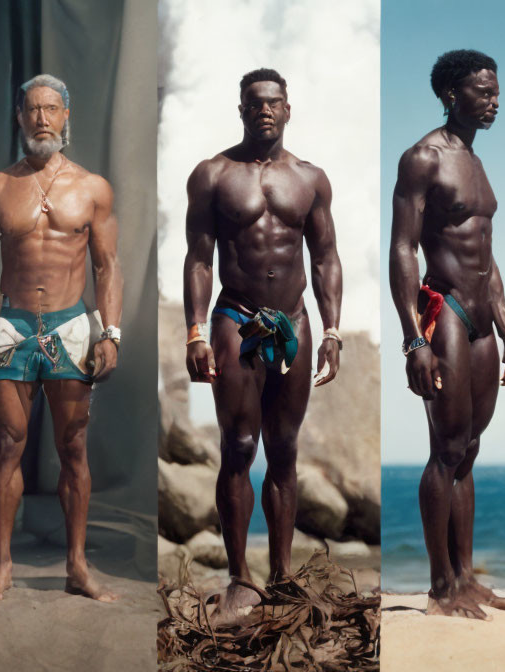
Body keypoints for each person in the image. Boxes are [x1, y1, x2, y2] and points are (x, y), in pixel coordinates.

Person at [183, 68, 343, 622]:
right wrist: (196, 330)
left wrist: (332, 330)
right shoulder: (213, 174)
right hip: (237, 318)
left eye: (274, 103)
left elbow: (325, 258)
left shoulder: (311, 178)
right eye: (255, 104)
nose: (265, 111)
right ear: (242, 110)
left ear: (289, 109)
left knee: (284, 447)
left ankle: (279, 575)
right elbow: (200, 259)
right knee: (239, 446)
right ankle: (238, 578)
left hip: (293, 321)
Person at [0, 74, 123, 602]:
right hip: (12, 325)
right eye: (32, 109)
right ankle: (3, 566)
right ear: (19, 116)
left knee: (73, 446)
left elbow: (108, 267)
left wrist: (110, 333)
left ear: (66, 115)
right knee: (6, 446)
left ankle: (76, 565)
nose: (42, 119)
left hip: (72, 326)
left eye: (51, 109)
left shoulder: (92, 187)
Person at [389, 49, 505, 620]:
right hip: (443, 313)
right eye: (484, 91)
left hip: (483, 321)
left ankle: (466, 577)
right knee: (445, 448)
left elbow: (487, 259)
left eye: (496, 91)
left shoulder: (476, 159)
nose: (495, 100)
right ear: (452, 95)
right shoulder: (424, 157)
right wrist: (414, 339)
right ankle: (441, 586)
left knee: (467, 449)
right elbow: (402, 248)